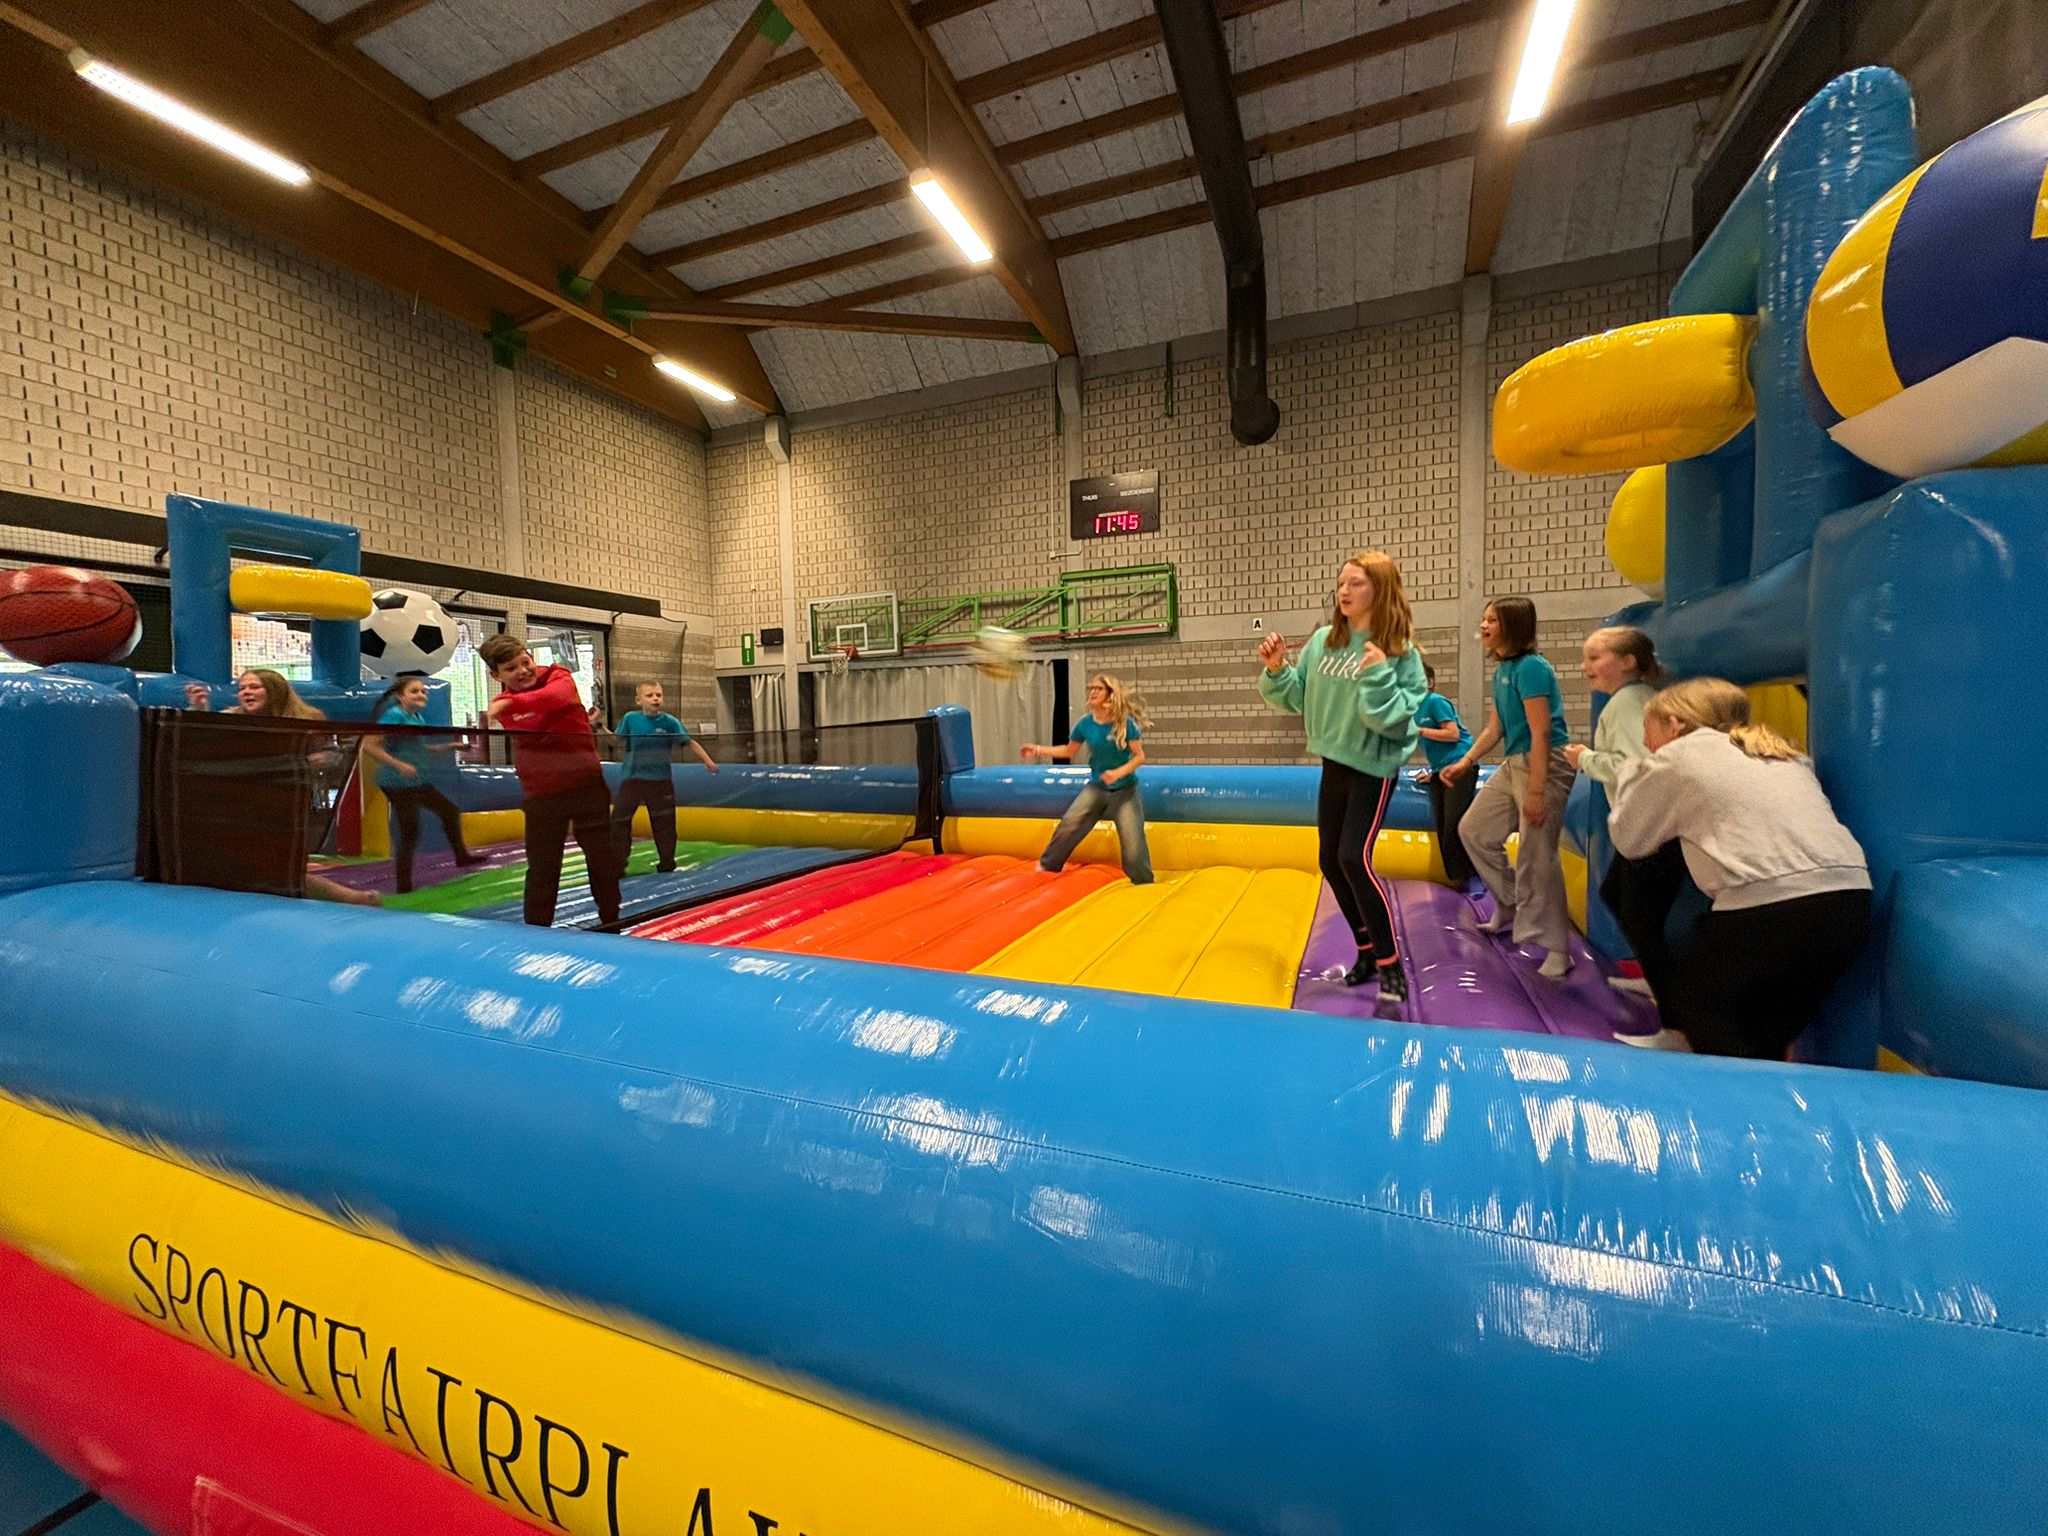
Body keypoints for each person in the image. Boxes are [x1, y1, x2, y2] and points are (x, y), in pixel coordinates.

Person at [1607, 678, 1871, 1059]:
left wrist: (1633, 774)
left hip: (1772, 904)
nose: (1647, 744)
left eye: (1649, 731)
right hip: (1850, 901)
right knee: (1761, 1034)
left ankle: (1735, 1096)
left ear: (1675, 725)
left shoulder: (1680, 755)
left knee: (1698, 1006)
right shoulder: (1780, 751)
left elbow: (1629, 838)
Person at [1258, 550, 1428, 1001]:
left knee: (1354, 858)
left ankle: (1392, 966)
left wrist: (1378, 676)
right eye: (1341, 583)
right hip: (1333, 762)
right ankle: (1367, 952)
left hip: (1372, 767)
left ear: (1380, 590)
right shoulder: (1323, 642)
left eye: (1356, 583)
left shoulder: (1400, 653)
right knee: (1330, 861)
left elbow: (1391, 721)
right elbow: (1298, 697)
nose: (1344, 591)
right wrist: (1277, 670)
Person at [1444, 597, 1573, 979]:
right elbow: (1495, 728)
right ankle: (1509, 902)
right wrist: (1466, 761)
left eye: (1492, 620)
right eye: (1483, 619)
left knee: (1538, 854)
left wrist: (1536, 792)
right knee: (1474, 829)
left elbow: (1541, 732)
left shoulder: (1532, 668)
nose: (1483, 626)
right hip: (1516, 761)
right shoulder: (1504, 670)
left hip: (1544, 763)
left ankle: (1559, 948)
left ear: (1512, 627)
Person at [193, 668, 379, 907]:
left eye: (254, 687)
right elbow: (203, 736)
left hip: (286, 800)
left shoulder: (306, 718)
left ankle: (349, 898)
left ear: (274, 690)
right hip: (245, 802)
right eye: (242, 688)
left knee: (275, 864)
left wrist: (315, 760)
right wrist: (200, 708)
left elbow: (332, 755)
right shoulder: (234, 718)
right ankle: (350, 898)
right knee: (262, 863)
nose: (246, 692)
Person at [478, 635, 621, 929]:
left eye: (525, 662)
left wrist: (515, 703)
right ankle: (537, 930)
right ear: (496, 676)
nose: (523, 671)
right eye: (511, 669)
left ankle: (611, 921)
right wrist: (529, 709)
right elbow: (531, 721)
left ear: (531, 657)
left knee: (601, 859)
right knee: (543, 866)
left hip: (586, 784)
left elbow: (558, 696)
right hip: (542, 792)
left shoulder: (558, 675)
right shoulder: (503, 705)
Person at [1561, 626, 1671, 1006]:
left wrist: (1585, 759)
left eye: (1595, 658)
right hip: (1650, 821)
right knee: (1622, 897)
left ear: (1628, 662)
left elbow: (1633, 765)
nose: (1585, 667)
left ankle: (1667, 994)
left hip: (1649, 823)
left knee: (1630, 903)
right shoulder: (1634, 698)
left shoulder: (1626, 703)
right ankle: (1658, 979)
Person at [1021, 673, 1154, 886]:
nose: (1092, 692)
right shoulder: (1085, 724)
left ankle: (1143, 881)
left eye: (1098, 689)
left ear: (1109, 694)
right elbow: (1068, 751)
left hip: (1125, 790)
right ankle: (1048, 866)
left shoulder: (1125, 723)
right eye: (1090, 688)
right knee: (1070, 823)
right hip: (1098, 787)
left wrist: (1118, 773)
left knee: (1132, 839)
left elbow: (1140, 757)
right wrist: (1037, 749)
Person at [361, 675, 480, 895]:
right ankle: (403, 885)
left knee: (449, 811)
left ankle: (462, 857)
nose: (421, 695)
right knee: (410, 830)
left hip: (416, 781)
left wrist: (451, 746)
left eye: (424, 691)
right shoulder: (395, 715)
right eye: (414, 691)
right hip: (396, 782)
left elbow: (420, 748)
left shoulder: (416, 717)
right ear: (401, 696)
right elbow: (369, 745)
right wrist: (398, 765)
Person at [611, 680, 718, 874]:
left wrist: (708, 761)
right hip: (632, 778)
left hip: (659, 780)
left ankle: (667, 863)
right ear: (639, 700)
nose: (655, 699)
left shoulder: (669, 722)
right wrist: (597, 725)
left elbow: (689, 742)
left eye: (658, 695)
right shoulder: (630, 719)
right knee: (619, 820)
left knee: (664, 823)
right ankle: (617, 864)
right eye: (650, 695)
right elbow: (614, 739)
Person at [1413, 660, 1477, 888]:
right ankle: (1455, 877)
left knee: (1453, 825)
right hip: (1441, 770)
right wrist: (1433, 773)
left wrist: (1421, 730)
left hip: (1460, 766)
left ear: (1429, 682)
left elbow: (1452, 734)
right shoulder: (1413, 709)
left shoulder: (1435, 701)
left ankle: (1468, 877)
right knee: (1441, 827)